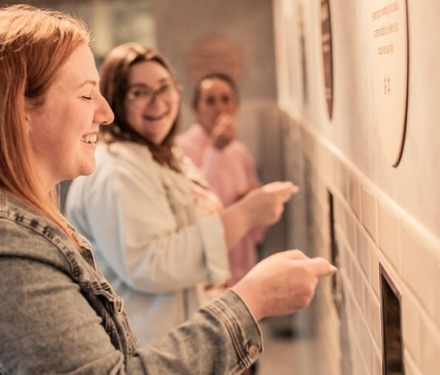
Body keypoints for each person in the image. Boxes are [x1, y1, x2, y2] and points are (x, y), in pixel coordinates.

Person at [0, 5, 334, 375]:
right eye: (87, 96)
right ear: (18, 110)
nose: (105, 114)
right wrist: (250, 301)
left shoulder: (10, 222)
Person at [64, 43, 299, 347]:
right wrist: (245, 215)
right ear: (116, 100)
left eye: (164, 88)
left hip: (181, 337)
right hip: (149, 344)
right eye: (139, 92)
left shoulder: (162, 154)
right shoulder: (117, 170)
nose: (157, 102)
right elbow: (152, 264)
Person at [177, 72, 263, 287]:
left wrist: (254, 199)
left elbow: (256, 226)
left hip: (241, 263)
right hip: (204, 266)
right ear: (196, 109)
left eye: (226, 99)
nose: (219, 107)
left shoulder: (240, 152)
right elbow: (192, 207)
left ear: (235, 107)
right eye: (210, 100)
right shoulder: (181, 148)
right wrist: (215, 150)